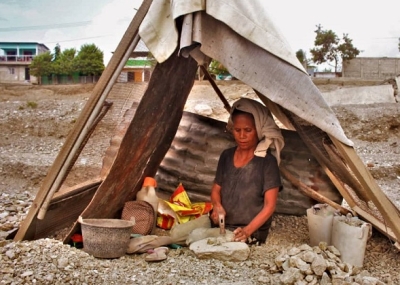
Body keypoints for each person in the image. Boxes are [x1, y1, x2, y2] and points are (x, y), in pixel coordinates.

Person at [210, 98, 284, 243]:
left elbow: (270, 206)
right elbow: (215, 190)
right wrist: (216, 206)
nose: (242, 136)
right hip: (222, 226)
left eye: (248, 130)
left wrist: (247, 231)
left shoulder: (267, 162)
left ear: (259, 129)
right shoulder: (226, 156)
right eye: (237, 130)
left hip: (252, 231)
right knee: (184, 235)